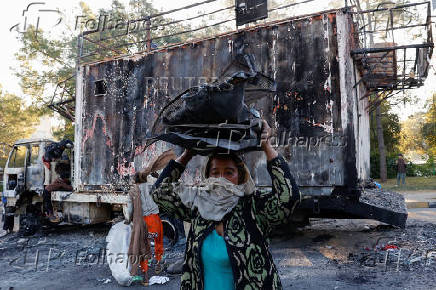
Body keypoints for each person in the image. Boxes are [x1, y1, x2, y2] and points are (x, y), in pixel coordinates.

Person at [151, 120, 300, 289]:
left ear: (241, 176)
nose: (221, 178)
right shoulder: (199, 207)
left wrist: (266, 146)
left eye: (229, 173)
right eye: (215, 172)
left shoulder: (253, 208)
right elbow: (159, 193)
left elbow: (289, 198)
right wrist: (188, 154)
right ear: (207, 176)